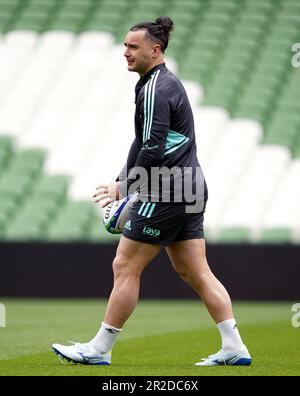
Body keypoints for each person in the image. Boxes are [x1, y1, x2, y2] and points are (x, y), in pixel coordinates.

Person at [52, 16, 251, 367]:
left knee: (124, 264)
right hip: (190, 187)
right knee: (196, 272)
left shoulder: (156, 88)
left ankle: (98, 349)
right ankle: (234, 346)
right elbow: (144, 140)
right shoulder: (160, 83)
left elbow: (153, 147)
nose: (125, 52)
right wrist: (123, 177)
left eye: (133, 46)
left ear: (155, 50)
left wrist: (125, 187)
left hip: (168, 190)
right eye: (125, 45)